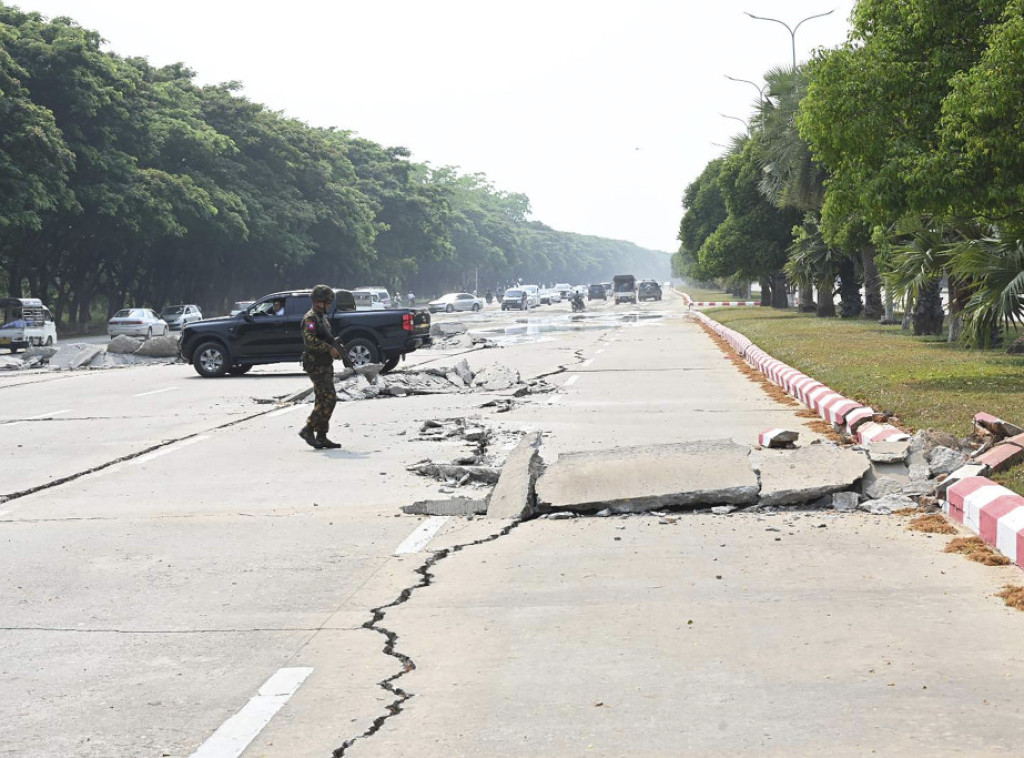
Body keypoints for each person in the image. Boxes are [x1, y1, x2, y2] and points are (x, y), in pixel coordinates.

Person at [298, 285, 342, 449]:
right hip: (315, 364)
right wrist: (329, 348)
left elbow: (326, 337)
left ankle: (322, 436)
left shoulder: (321, 317)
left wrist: (336, 347)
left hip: (325, 363)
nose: (329, 306)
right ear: (318, 302)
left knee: (322, 399)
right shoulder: (310, 318)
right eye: (327, 303)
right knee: (330, 399)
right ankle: (308, 429)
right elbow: (309, 341)